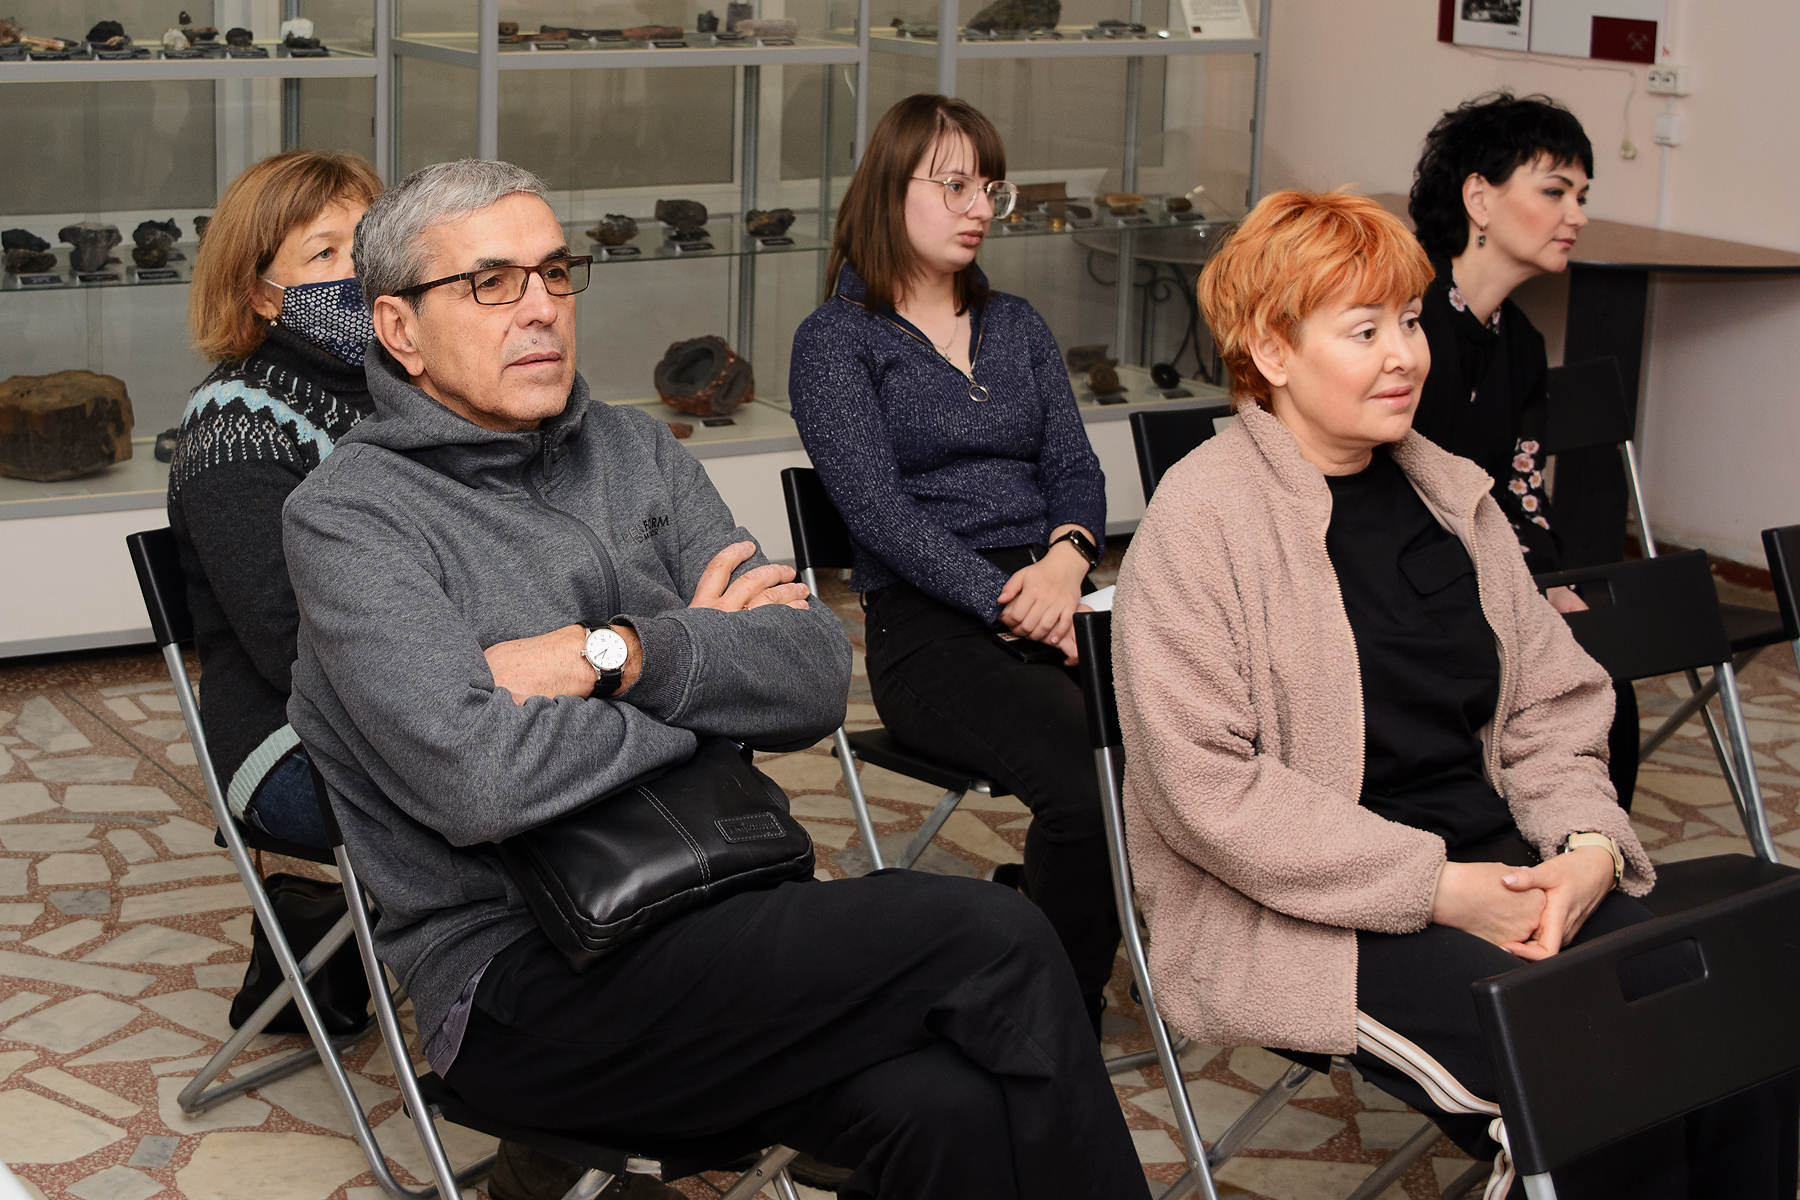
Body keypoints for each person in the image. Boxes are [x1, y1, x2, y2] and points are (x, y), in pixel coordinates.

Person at [283, 157, 1151, 1200]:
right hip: (524, 983)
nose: (542, 308)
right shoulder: (350, 519)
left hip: (721, 906)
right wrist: (709, 686)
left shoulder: (634, 452)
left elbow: (814, 674)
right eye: (492, 283)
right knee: (996, 935)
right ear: (399, 328)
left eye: (554, 273)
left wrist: (617, 656)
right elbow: (480, 780)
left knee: (951, 1108)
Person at [1113, 189, 1797, 1198]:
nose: (1404, 354)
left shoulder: (1449, 492)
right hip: (1310, 916)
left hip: (1508, 869)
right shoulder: (1203, 520)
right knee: (1597, 1075)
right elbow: (1208, 790)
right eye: (1364, 331)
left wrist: (1586, 848)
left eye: (1409, 320)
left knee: (1739, 1026)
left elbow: (1554, 703)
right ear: (1270, 349)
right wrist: (1439, 888)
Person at [788, 95, 1120, 1034]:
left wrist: (1066, 565)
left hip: (1055, 590)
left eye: (990, 189)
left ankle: (1039, 915)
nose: (980, 208)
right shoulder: (835, 341)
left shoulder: (1016, 324)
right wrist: (1010, 599)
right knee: (1089, 779)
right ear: (890, 191)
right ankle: (1056, 1017)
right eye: (955, 186)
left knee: (1185, 742)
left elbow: (1074, 469)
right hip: (928, 628)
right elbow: (879, 517)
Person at [1407, 91, 1639, 808]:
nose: (1578, 215)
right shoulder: (1402, 317)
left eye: (1582, 196)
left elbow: (1521, 490)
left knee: (1603, 678)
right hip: (1397, 581)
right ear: (1480, 198)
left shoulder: (1521, 344)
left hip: (1477, 573)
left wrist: (1547, 580)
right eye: (1555, 191)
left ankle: (1585, 852)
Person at [171, 148, 381, 847]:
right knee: (532, 790)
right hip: (292, 739)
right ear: (261, 294)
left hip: (440, 696)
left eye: (368, 243)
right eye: (325, 253)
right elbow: (289, 642)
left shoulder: (412, 382)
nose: (358, 269)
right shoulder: (235, 426)